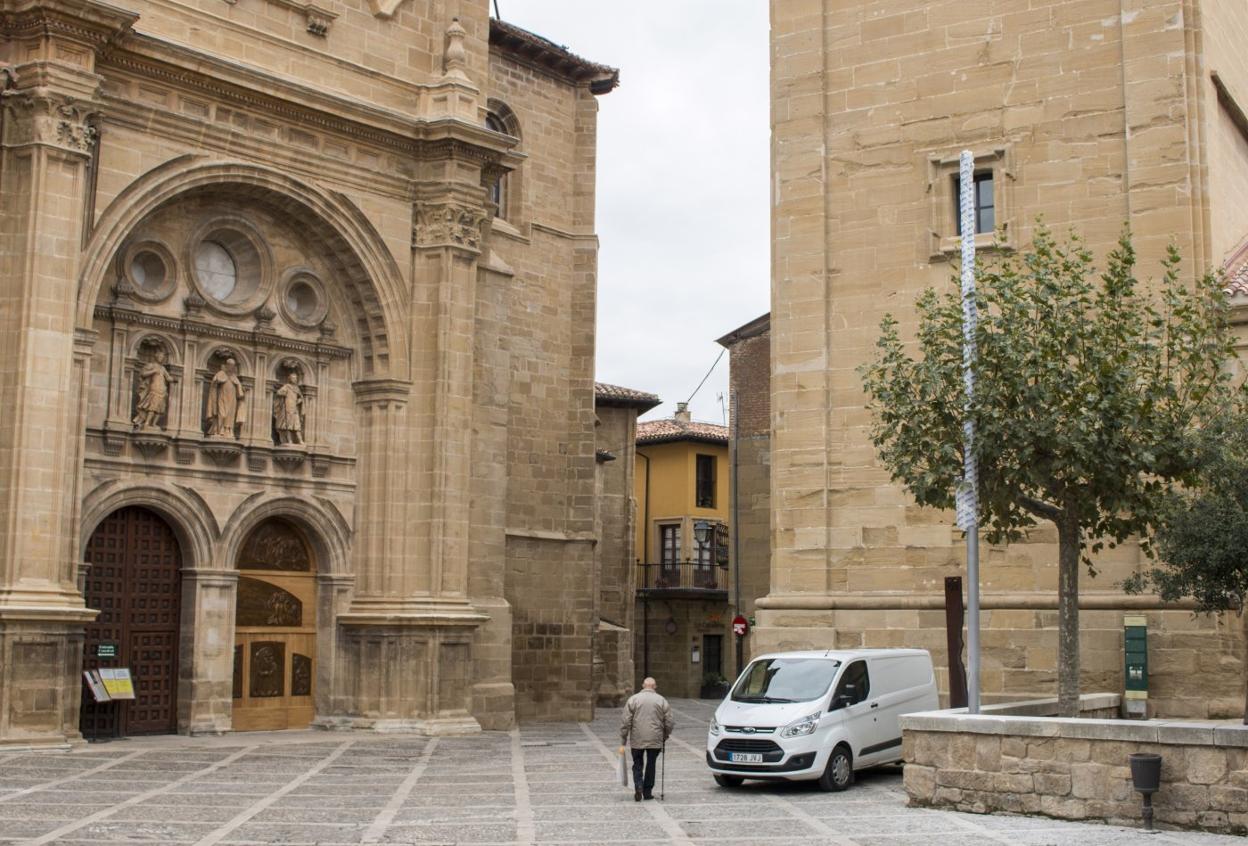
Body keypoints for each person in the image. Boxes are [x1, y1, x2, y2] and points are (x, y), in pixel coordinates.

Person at [619, 677, 673, 801]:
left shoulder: (633, 699)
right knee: (651, 764)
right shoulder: (662, 700)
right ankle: (647, 791)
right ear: (655, 687)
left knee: (637, 763)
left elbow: (625, 721)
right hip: (655, 739)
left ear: (643, 685)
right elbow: (669, 721)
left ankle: (638, 786)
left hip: (637, 738)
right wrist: (665, 735)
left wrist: (623, 737)